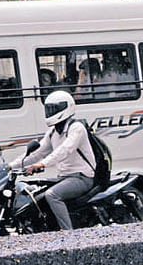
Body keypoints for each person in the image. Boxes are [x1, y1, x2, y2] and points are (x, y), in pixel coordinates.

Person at [21, 90, 97, 231]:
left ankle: (67, 234)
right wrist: (10, 166)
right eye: (48, 109)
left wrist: (42, 164)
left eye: (54, 109)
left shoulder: (76, 128)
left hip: (82, 177)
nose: (50, 112)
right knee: (36, 195)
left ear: (66, 107)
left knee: (53, 195)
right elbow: (37, 153)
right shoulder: (53, 132)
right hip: (63, 178)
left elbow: (64, 150)